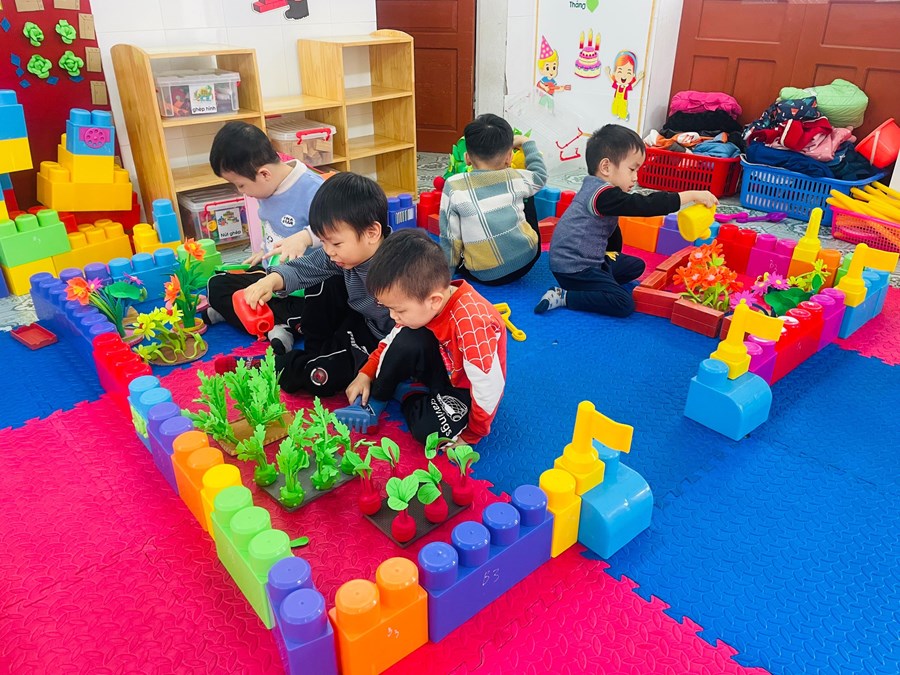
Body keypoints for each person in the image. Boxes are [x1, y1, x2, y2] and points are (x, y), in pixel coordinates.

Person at [342, 229, 507, 445]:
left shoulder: (473, 324)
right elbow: (392, 341)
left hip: (464, 388)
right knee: (405, 337)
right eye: (388, 308)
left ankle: (409, 393)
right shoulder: (425, 304)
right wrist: (366, 373)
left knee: (429, 433)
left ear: (434, 301)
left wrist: (472, 434)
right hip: (441, 364)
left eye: (399, 310)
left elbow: (488, 389)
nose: (392, 316)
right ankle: (378, 400)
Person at [536, 124, 718, 318]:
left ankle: (599, 285)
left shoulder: (598, 189)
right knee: (624, 303)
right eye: (632, 169)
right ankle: (564, 296)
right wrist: (690, 196)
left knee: (636, 266)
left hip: (589, 259)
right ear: (606, 167)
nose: (635, 177)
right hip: (574, 269)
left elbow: (609, 231)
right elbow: (644, 205)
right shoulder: (602, 195)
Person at [241, 172, 394, 395]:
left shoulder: (400, 268)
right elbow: (304, 268)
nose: (329, 251)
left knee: (321, 375)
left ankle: (274, 366)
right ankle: (309, 351)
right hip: (356, 322)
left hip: (383, 341)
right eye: (323, 242)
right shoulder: (341, 255)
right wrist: (270, 281)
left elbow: (411, 330)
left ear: (372, 233)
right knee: (321, 280)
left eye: (336, 243)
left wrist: (369, 371)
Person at [204, 121, 323, 354]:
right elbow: (271, 225)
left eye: (241, 185)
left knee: (316, 309)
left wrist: (306, 237)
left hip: (303, 286)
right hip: (271, 277)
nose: (240, 191)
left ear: (264, 174)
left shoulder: (313, 189)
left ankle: (267, 321)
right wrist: (262, 250)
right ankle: (262, 319)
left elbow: (339, 230)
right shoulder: (266, 188)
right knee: (216, 285)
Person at [439, 113, 548, 286]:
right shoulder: (516, 177)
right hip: (527, 259)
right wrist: (526, 142)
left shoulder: (453, 186)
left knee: (458, 225)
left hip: (485, 274)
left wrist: (446, 277)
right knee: (529, 192)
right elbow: (540, 174)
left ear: (467, 158)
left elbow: (450, 237)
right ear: (509, 158)